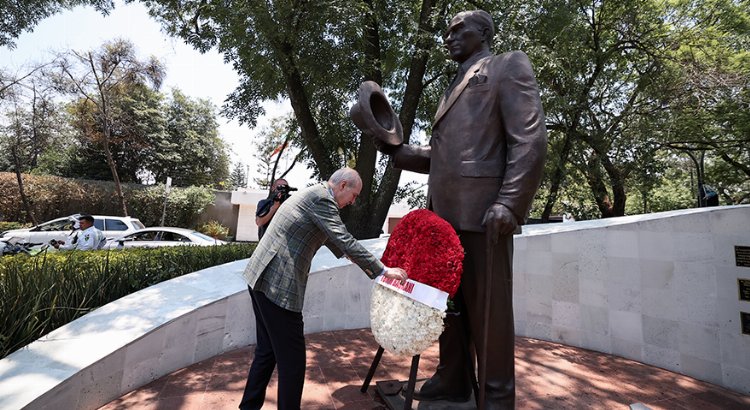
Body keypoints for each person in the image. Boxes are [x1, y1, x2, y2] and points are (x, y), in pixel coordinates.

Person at [373, 10, 547, 409]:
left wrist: (509, 202)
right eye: (446, 31)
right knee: (447, 309)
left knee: (491, 317)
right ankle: (452, 380)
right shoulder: (455, 83)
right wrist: (398, 152)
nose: (448, 37)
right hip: (443, 219)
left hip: (485, 217)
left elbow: (530, 141)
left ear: (483, 32)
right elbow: (444, 157)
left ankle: (497, 397)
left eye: (458, 30)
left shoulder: (507, 66)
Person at [239, 167, 409, 410]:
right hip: (278, 287)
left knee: (267, 352)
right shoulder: (322, 199)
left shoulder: (314, 196)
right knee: (293, 363)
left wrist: (352, 256)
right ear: (342, 186)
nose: (353, 202)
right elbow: (343, 238)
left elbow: (334, 239)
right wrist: (383, 270)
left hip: (260, 278)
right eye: (354, 195)